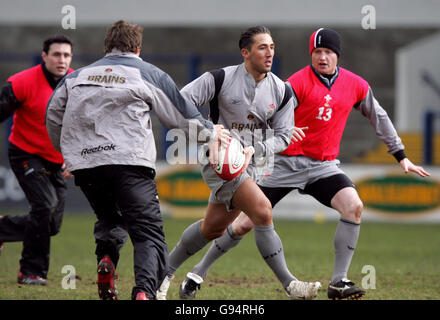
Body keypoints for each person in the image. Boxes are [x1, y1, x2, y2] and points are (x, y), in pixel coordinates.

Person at [168, 27, 430, 300]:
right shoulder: (294, 83)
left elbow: (379, 116)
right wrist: (266, 135)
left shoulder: (356, 85)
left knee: (354, 206)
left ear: (337, 55)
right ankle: (197, 273)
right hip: (281, 163)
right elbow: (266, 113)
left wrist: (400, 154)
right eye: (317, 52)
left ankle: (338, 281)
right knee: (244, 223)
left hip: (322, 166)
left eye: (328, 51)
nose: (322, 57)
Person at [45, 20, 227, 301]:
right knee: (148, 233)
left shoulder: (75, 76)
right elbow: (181, 116)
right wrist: (211, 132)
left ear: (107, 47)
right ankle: (144, 292)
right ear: (137, 48)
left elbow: (53, 116)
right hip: (129, 163)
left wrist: (68, 154)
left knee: (110, 218)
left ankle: (106, 260)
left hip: (86, 166)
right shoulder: (147, 72)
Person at [157, 26, 322, 301]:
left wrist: (255, 149)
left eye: (271, 47)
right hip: (219, 163)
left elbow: (283, 136)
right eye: (262, 47)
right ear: (245, 53)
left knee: (213, 228)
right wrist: (207, 131)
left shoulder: (281, 90)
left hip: (251, 166)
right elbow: (180, 101)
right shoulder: (219, 78)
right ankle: (291, 286)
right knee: (263, 210)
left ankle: (163, 273)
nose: (269, 52)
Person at [0, 35, 74, 285]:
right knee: (44, 206)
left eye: (66, 55)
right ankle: (30, 272)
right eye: (56, 54)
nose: (61, 60)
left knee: (51, 224)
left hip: (56, 160)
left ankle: (3, 229)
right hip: (26, 153)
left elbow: (87, 125)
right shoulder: (22, 83)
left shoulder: (77, 83)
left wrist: (74, 157)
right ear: (44, 57)